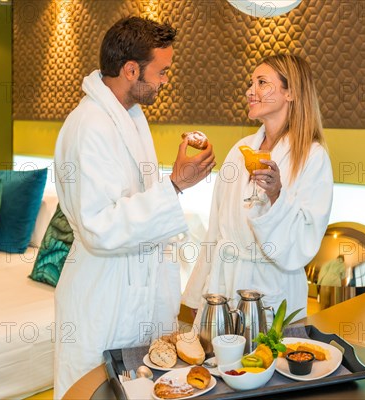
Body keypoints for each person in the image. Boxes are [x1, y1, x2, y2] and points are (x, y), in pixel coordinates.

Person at [52, 16, 215, 398]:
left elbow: (131, 203)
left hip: (134, 293)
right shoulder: (89, 127)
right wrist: (174, 185)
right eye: (162, 72)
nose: (165, 80)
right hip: (103, 299)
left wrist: (175, 185)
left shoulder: (129, 118)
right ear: (130, 69)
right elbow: (99, 227)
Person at [182, 54, 333, 323]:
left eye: (262, 83)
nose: (250, 91)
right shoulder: (240, 152)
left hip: (273, 292)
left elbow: (306, 238)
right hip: (223, 289)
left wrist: (277, 194)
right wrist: (197, 294)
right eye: (251, 83)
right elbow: (215, 230)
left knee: (268, 362)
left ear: (291, 93)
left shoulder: (312, 157)